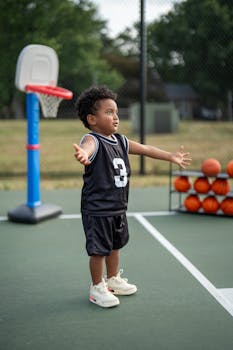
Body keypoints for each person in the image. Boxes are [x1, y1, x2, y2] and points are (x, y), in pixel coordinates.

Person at [73, 86, 191, 308]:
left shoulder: (121, 141)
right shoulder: (93, 140)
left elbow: (146, 149)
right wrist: (83, 154)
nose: (115, 117)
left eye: (116, 112)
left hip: (118, 207)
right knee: (99, 250)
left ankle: (112, 279)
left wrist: (170, 156)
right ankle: (96, 287)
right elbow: (87, 148)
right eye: (108, 112)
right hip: (97, 209)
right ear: (92, 119)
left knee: (115, 246)